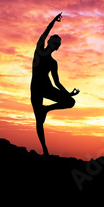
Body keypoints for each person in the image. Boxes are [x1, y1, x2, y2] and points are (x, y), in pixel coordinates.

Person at [31, 12, 80, 155]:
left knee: (70, 102)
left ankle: (46, 109)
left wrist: (68, 93)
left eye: (58, 44)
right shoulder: (39, 51)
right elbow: (45, 32)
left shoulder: (53, 63)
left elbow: (57, 82)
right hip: (36, 89)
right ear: (49, 42)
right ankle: (45, 150)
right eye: (54, 42)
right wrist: (53, 20)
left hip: (47, 88)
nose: (56, 45)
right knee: (39, 121)